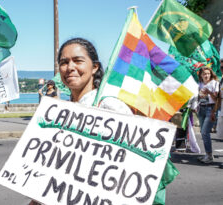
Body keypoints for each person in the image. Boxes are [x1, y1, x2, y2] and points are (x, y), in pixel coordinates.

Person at [30, 37, 177, 205]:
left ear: (94, 67)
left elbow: (134, 169)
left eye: (78, 61)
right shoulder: (59, 113)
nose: (70, 67)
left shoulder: (110, 107)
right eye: (64, 62)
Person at [194, 66, 219, 164]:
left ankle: (209, 155)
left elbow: (217, 98)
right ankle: (208, 154)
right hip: (201, 109)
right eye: (204, 74)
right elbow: (197, 97)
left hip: (211, 108)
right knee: (203, 133)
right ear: (201, 75)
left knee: (205, 132)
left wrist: (208, 92)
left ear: (211, 74)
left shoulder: (215, 83)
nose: (206, 75)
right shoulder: (199, 84)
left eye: (208, 73)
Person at [212, 59, 223, 168]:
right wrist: (214, 111)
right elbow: (219, 97)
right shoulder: (221, 81)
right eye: (221, 67)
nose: (222, 69)